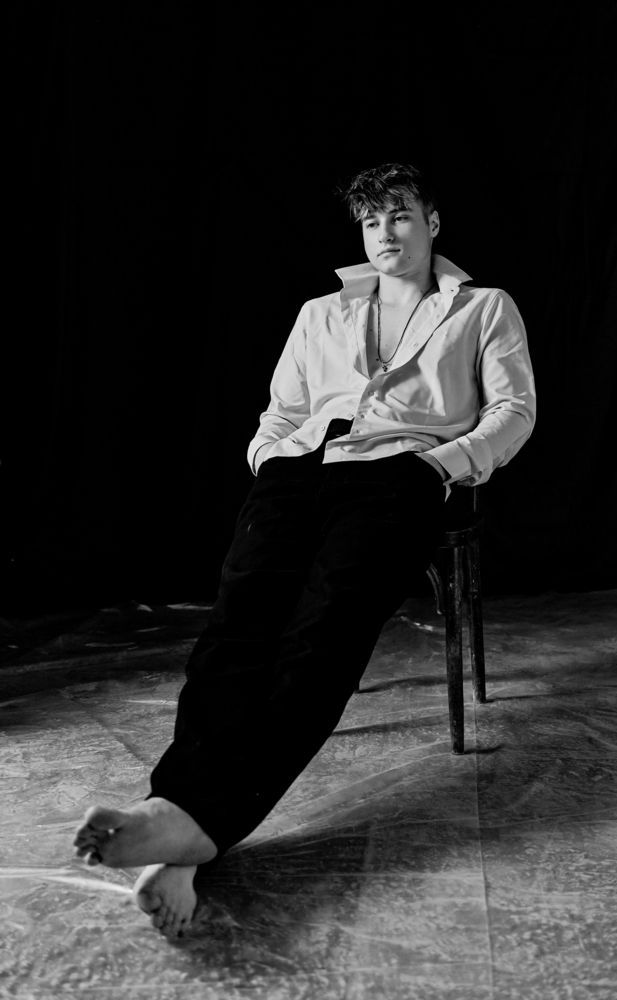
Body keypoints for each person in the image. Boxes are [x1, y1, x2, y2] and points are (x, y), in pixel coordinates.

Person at [73, 162, 536, 936]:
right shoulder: (320, 312)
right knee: (237, 625)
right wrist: (268, 458)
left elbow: (514, 410)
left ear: (431, 223)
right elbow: (281, 411)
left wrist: (438, 466)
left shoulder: (482, 306)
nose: (385, 234)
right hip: (299, 471)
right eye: (371, 222)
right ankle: (179, 828)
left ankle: (186, 819)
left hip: (400, 472)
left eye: (400, 216)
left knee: (323, 632)